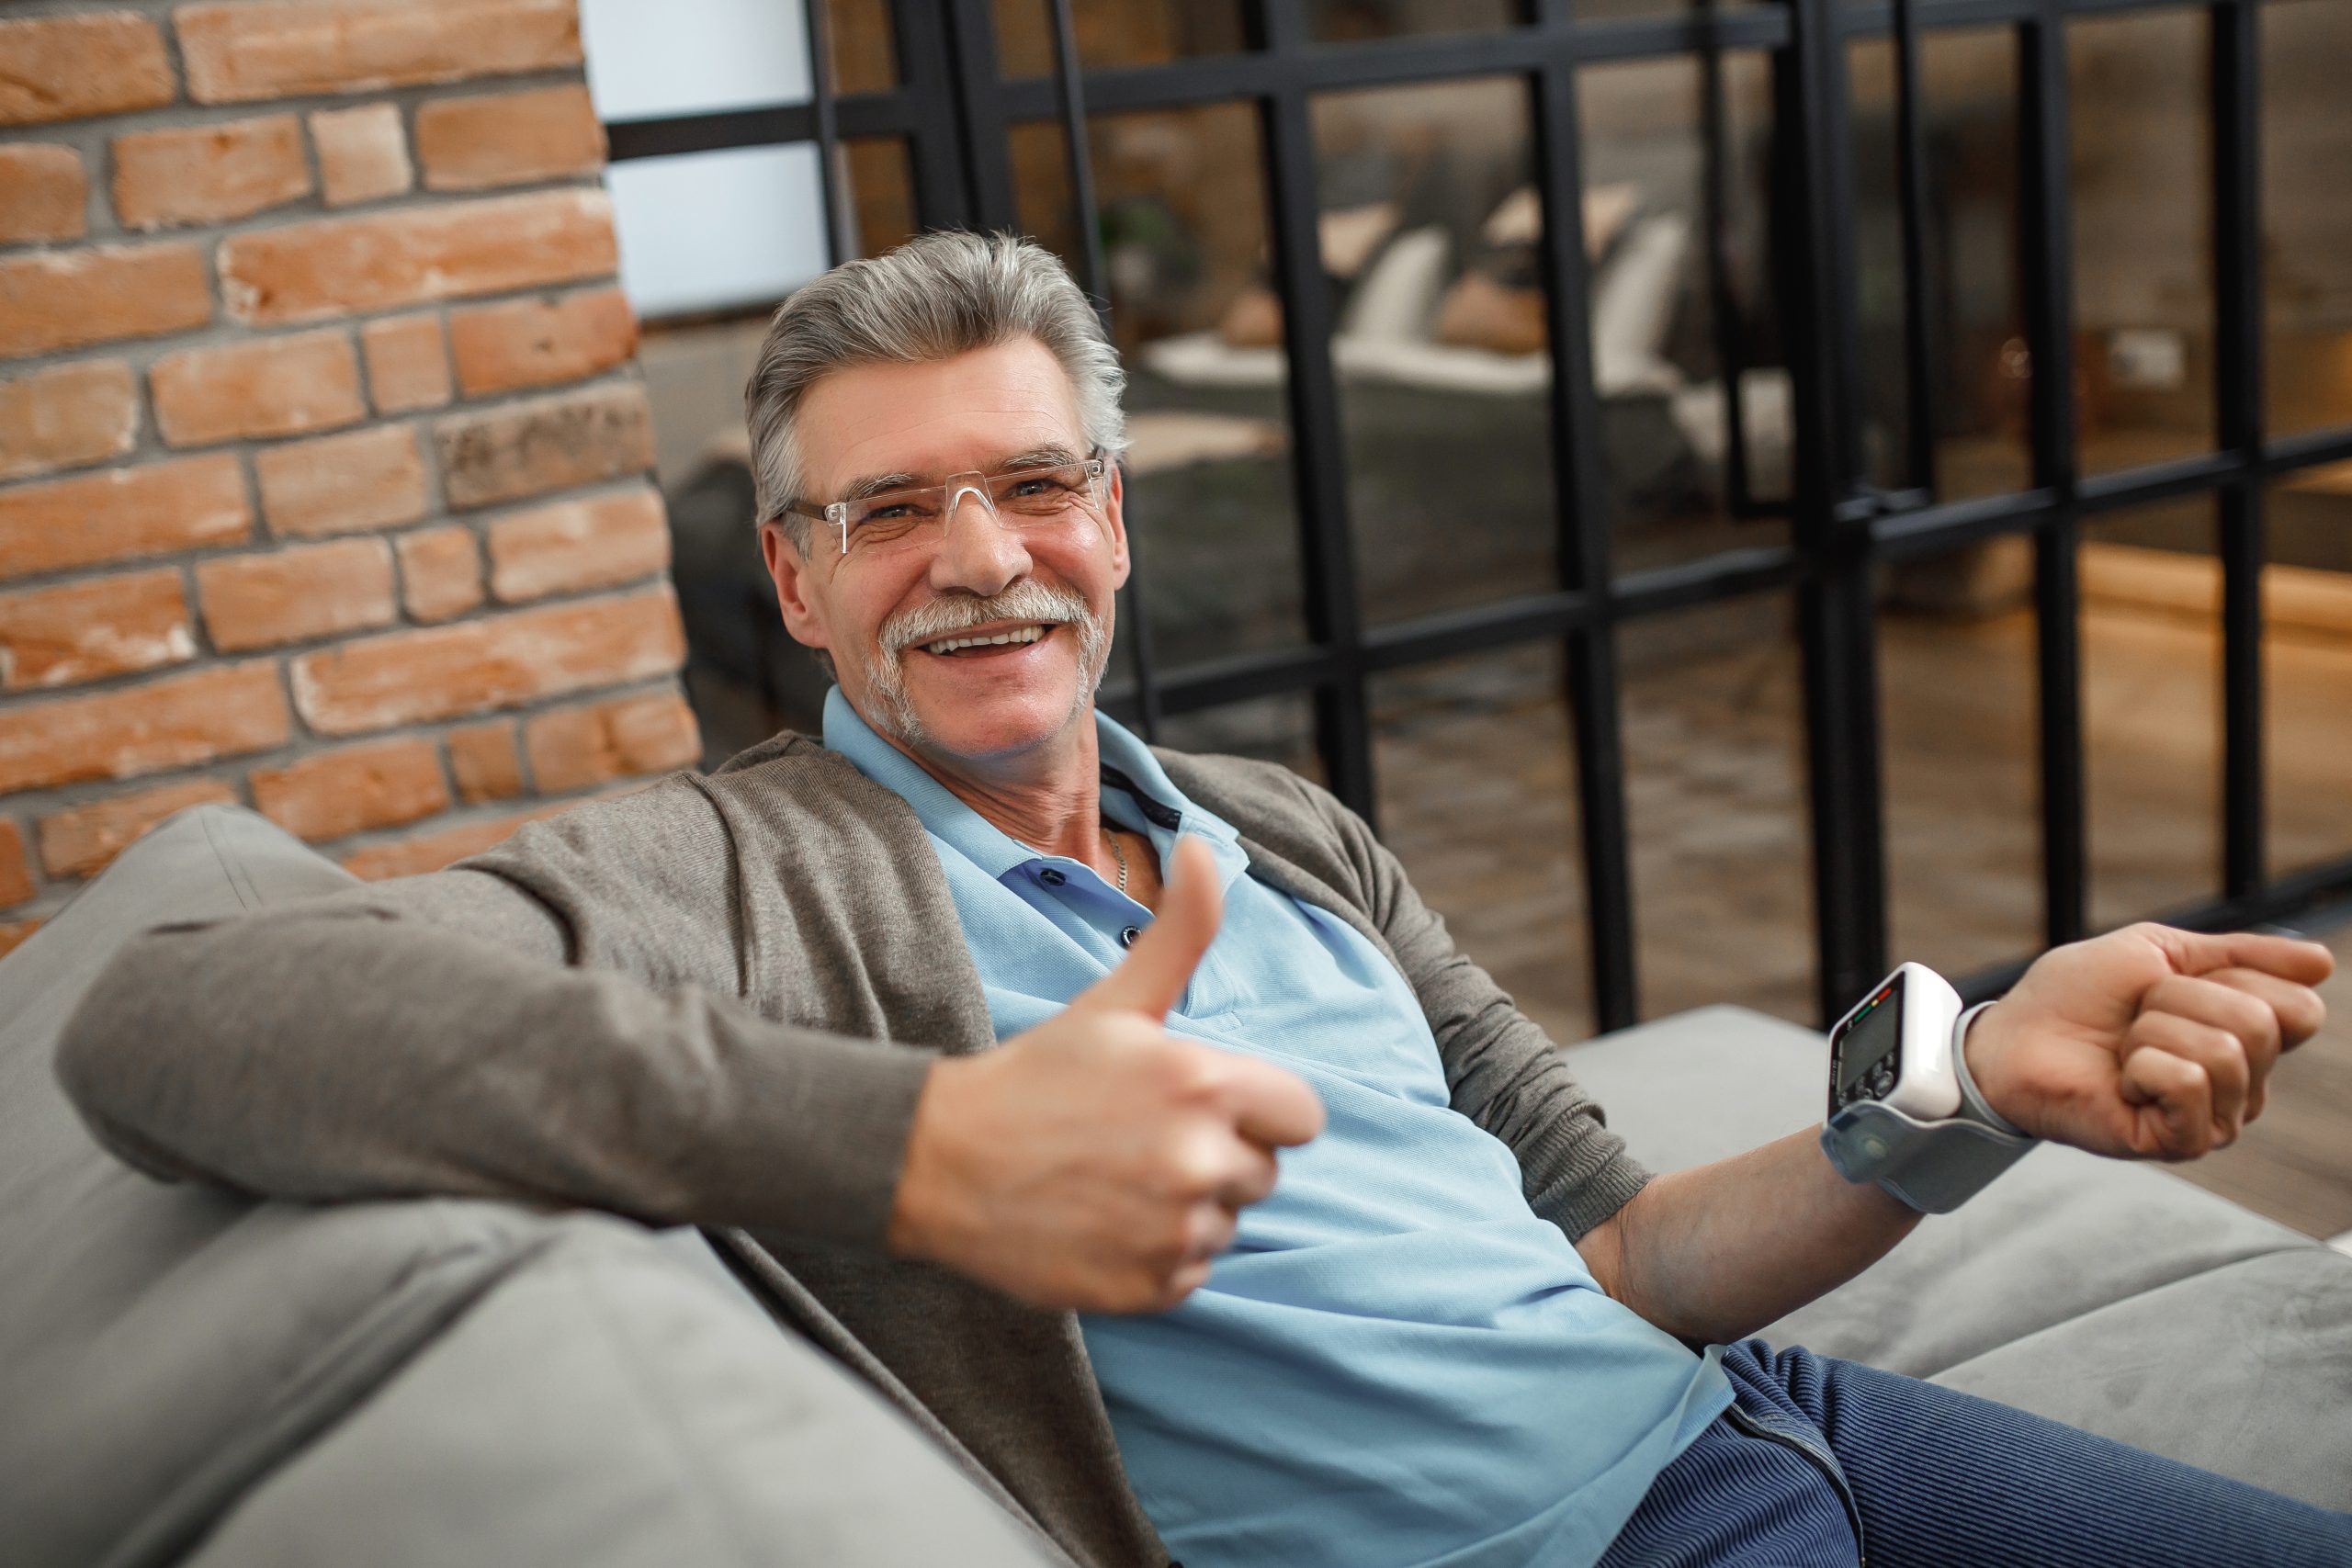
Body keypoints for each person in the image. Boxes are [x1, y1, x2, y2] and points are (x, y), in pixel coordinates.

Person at [57, 231, 2348, 1568]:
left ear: (1114, 520)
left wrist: (1955, 1090)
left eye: (1036, 482)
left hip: (1766, 1413)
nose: (980, 557)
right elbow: (172, 1021)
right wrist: (925, 1147)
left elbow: (1624, 1252)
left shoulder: (1273, 820)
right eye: (889, 512)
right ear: (789, 576)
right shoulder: (736, 872)